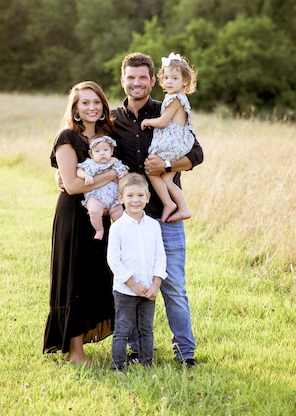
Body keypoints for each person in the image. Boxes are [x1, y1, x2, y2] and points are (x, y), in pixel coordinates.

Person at [112, 52, 204, 368]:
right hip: (131, 219)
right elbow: (88, 146)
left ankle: (185, 353)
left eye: (143, 77)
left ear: (153, 80)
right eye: (131, 77)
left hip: (164, 218)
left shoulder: (166, 107)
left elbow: (197, 153)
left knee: (174, 286)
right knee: (133, 284)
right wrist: (61, 168)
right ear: (123, 81)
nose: (137, 83)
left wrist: (166, 164)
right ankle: (138, 350)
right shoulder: (113, 120)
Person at [43, 81, 117, 365]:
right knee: (73, 275)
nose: (91, 107)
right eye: (85, 103)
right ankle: (75, 352)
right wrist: (109, 176)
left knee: (95, 276)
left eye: (96, 102)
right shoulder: (67, 138)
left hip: (101, 216)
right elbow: (72, 185)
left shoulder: (107, 136)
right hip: (74, 215)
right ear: (75, 109)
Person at [107, 173, 166, 371]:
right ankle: (118, 367)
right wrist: (132, 284)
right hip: (126, 290)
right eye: (130, 195)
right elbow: (113, 260)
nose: (135, 200)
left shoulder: (153, 226)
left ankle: (147, 364)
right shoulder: (118, 228)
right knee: (123, 329)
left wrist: (156, 284)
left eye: (140, 195)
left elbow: (160, 256)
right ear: (121, 198)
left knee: (146, 329)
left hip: (149, 289)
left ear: (148, 198)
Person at [141, 52, 197, 223]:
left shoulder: (175, 99)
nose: (169, 82)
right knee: (166, 179)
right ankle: (183, 207)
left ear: (185, 81)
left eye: (174, 78)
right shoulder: (176, 98)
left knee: (150, 168)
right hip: (179, 142)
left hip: (173, 143)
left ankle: (168, 203)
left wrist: (148, 121)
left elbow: (164, 121)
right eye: (166, 78)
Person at [77, 135, 129, 240]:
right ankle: (99, 230)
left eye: (105, 150)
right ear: (91, 154)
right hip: (95, 197)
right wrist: (86, 175)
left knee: (119, 214)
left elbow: (125, 171)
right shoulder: (90, 164)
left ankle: (121, 233)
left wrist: (124, 173)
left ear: (111, 151)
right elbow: (78, 171)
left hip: (113, 198)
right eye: (97, 151)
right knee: (94, 211)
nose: (102, 153)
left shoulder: (115, 163)